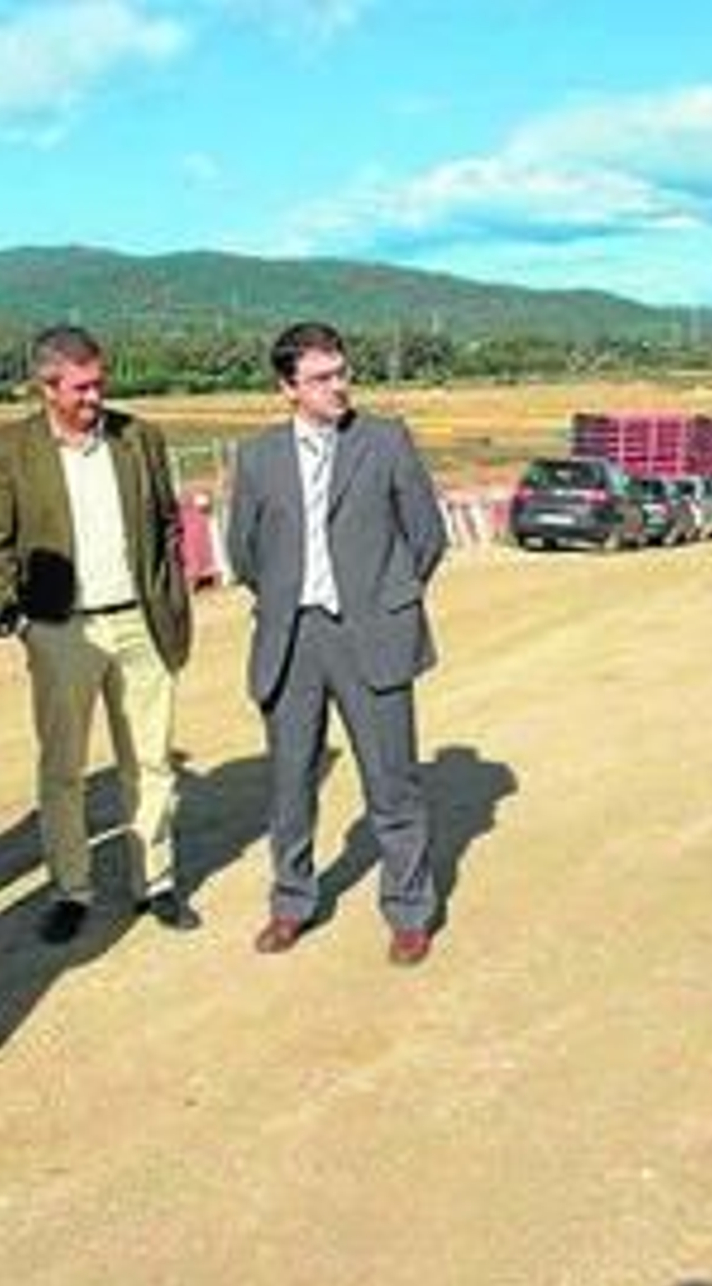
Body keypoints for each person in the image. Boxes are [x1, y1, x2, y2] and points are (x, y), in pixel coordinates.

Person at [226, 321, 448, 966]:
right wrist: (285, 600)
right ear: (287, 387)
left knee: (392, 781)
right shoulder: (259, 456)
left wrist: (387, 599)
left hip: (371, 632)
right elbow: (244, 551)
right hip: (292, 638)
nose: (339, 387)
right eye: (322, 378)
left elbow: (426, 535)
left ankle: (409, 911)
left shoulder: (385, 441)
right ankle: (292, 902)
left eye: (342, 373)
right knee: (290, 783)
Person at [0, 325, 195, 944]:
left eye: (100, 383)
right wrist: (17, 618)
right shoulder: (8, 449)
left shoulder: (139, 439)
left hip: (140, 622)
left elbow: (168, 526)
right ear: (46, 387)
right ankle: (72, 889)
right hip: (60, 629)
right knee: (64, 768)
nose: (96, 397)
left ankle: (155, 883)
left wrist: (171, 598)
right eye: (81, 388)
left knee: (150, 761)